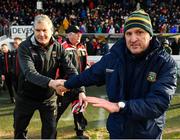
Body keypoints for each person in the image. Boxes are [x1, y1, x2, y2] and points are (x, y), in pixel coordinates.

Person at [56, 10, 177, 139]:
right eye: (129, 33)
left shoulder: (164, 63)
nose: (133, 39)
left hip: (148, 134)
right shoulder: (114, 57)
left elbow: (158, 102)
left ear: (150, 35)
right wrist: (67, 84)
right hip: (118, 131)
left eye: (139, 32)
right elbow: (90, 74)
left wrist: (119, 106)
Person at [13, 14, 78, 139]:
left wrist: (80, 91)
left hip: (48, 98)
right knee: (19, 131)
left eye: (44, 30)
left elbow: (71, 70)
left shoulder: (58, 47)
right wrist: (53, 83)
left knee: (50, 133)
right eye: (38, 30)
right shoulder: (24, 47)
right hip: (26, 97)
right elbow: (29, 73)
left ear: (51, 30)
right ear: (33, 30)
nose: (41, 34)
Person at [56, 25, 89, 139]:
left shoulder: (82, 47)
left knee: (79, 109)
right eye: (76, 33)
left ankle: (80, 133)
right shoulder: (62, 47)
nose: (80, 35)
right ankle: (50, 133)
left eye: (80, 33)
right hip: (65, 86)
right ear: (69, 34)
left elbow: (85, 64)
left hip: (78, 85)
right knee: (56, 111)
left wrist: (87, 68)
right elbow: (56, 67)